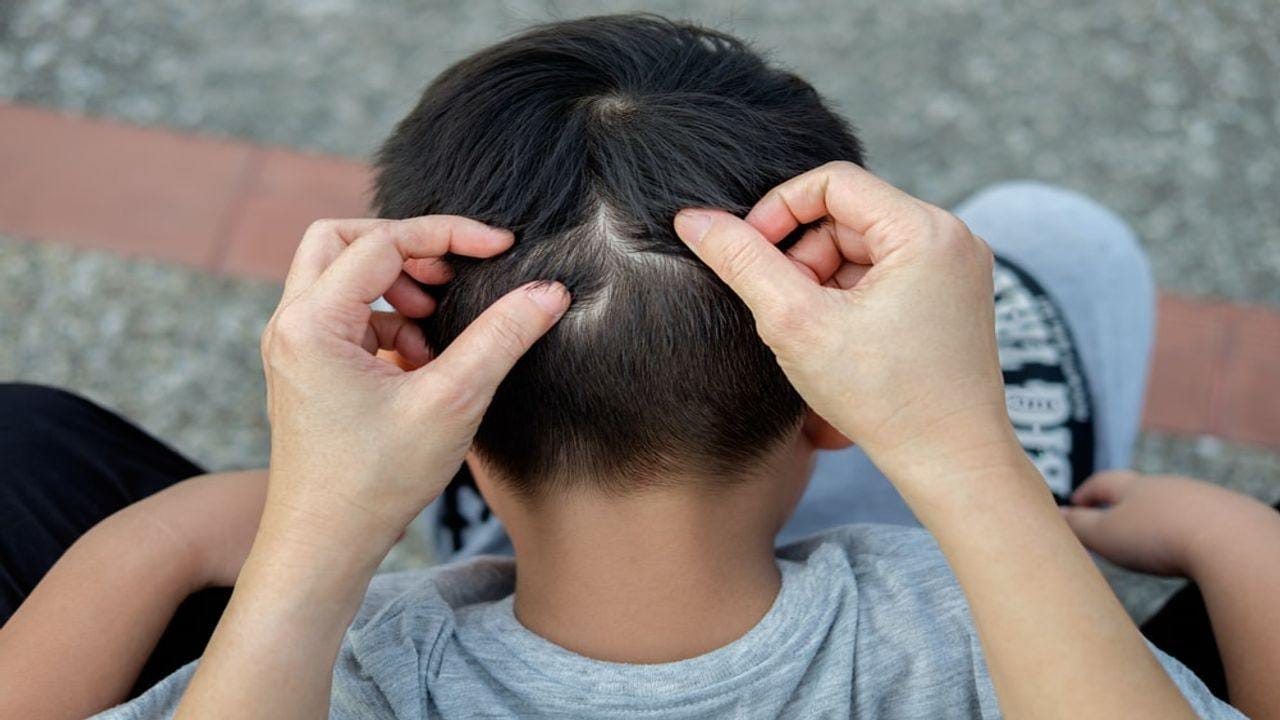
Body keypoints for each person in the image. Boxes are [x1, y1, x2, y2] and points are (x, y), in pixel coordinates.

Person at [0, 14, 1275, 720]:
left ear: (447, 425)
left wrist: (274, 531)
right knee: (1059, 240)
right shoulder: (956, 622)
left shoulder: (351, 666)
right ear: (836, 408)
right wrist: (980, 461)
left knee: (27, 441)